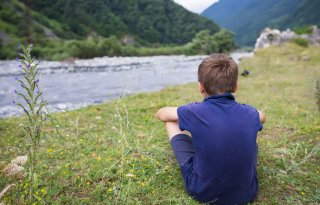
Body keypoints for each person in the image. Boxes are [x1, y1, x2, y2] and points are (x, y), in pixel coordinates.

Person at [156, 54, 266, 205]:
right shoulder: (251, 113)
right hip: (246, 193)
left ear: (201, 87)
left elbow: (161, 114)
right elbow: (262, 116)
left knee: (170, 121)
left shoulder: (193, 111)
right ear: (235, 87)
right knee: (251, 127)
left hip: (202, 192)